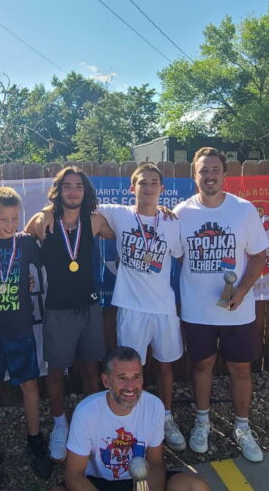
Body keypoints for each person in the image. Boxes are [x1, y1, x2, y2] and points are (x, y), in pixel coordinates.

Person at [40, 163, 186, 451]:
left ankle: (166, 418)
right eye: (142, 182)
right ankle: (129, 422)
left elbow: (180, 254)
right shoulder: (118, 213)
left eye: (153, 182)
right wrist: (47, 211)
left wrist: (164, 212)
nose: (148, 187)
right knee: (129, 371)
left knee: (165, 366)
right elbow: (75, 207)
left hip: (164, 308)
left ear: (162, 188)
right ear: (132, 188)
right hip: (130, 308)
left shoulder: (172, 222)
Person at [174, 147, 269, 462]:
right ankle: (202, 423)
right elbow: (176, 254)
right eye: (203, 170)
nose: (209, 176)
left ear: (225, 174)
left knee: (240, 369)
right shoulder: (182, 212)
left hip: (236, 310)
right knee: (201, 366)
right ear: (194, 176)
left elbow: (259, 255)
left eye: (215, 169)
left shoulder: (243, 209)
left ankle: (242, 427)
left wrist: (241, 289)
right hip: (197, 310)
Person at [24, 166, 114, 462]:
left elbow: (123, 230)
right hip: (58, 309)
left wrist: (159, 211)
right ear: (58, 191)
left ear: (85, 191)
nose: (73, 191)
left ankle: (91, 425)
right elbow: (18, 244)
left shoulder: (95, 220)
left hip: (89, 306)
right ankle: (60, 424)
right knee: (55, 372)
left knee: (91, 370)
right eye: (67, 186)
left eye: (78, 186)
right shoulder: (43, 220)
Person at [0, 187, 52, 489]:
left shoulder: (26, 243)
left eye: (14, 219)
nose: (10, 225)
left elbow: (49, 256)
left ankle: (35, 440)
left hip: (20, 330)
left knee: (30, 385)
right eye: (3, 219)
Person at [54, 346, 209, 491]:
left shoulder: (154, 406)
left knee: (196, 487)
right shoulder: (86, 411)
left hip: (141, 481)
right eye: (122, 378)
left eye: (136, 377)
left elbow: (155, 464)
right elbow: (74, 475)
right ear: (106, 381)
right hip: (97, 483)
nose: (130, 386)